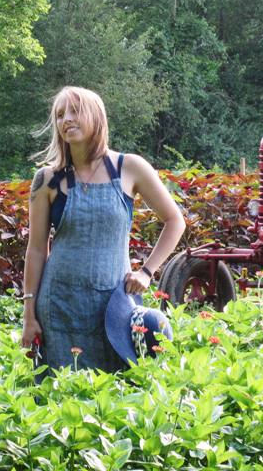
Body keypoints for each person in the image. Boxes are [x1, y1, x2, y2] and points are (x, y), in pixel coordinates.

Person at [20, 86, 185, 376]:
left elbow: (175, 220)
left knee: (117, 395)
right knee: (58, 398)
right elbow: (35, 249)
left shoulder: (130, 168)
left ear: (96, 116)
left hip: (114, 310)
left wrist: (146, 272)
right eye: (60, 115)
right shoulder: (46, 179)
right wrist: (29, 315)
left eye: (74, 111)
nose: (66, 120)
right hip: (58, 309)